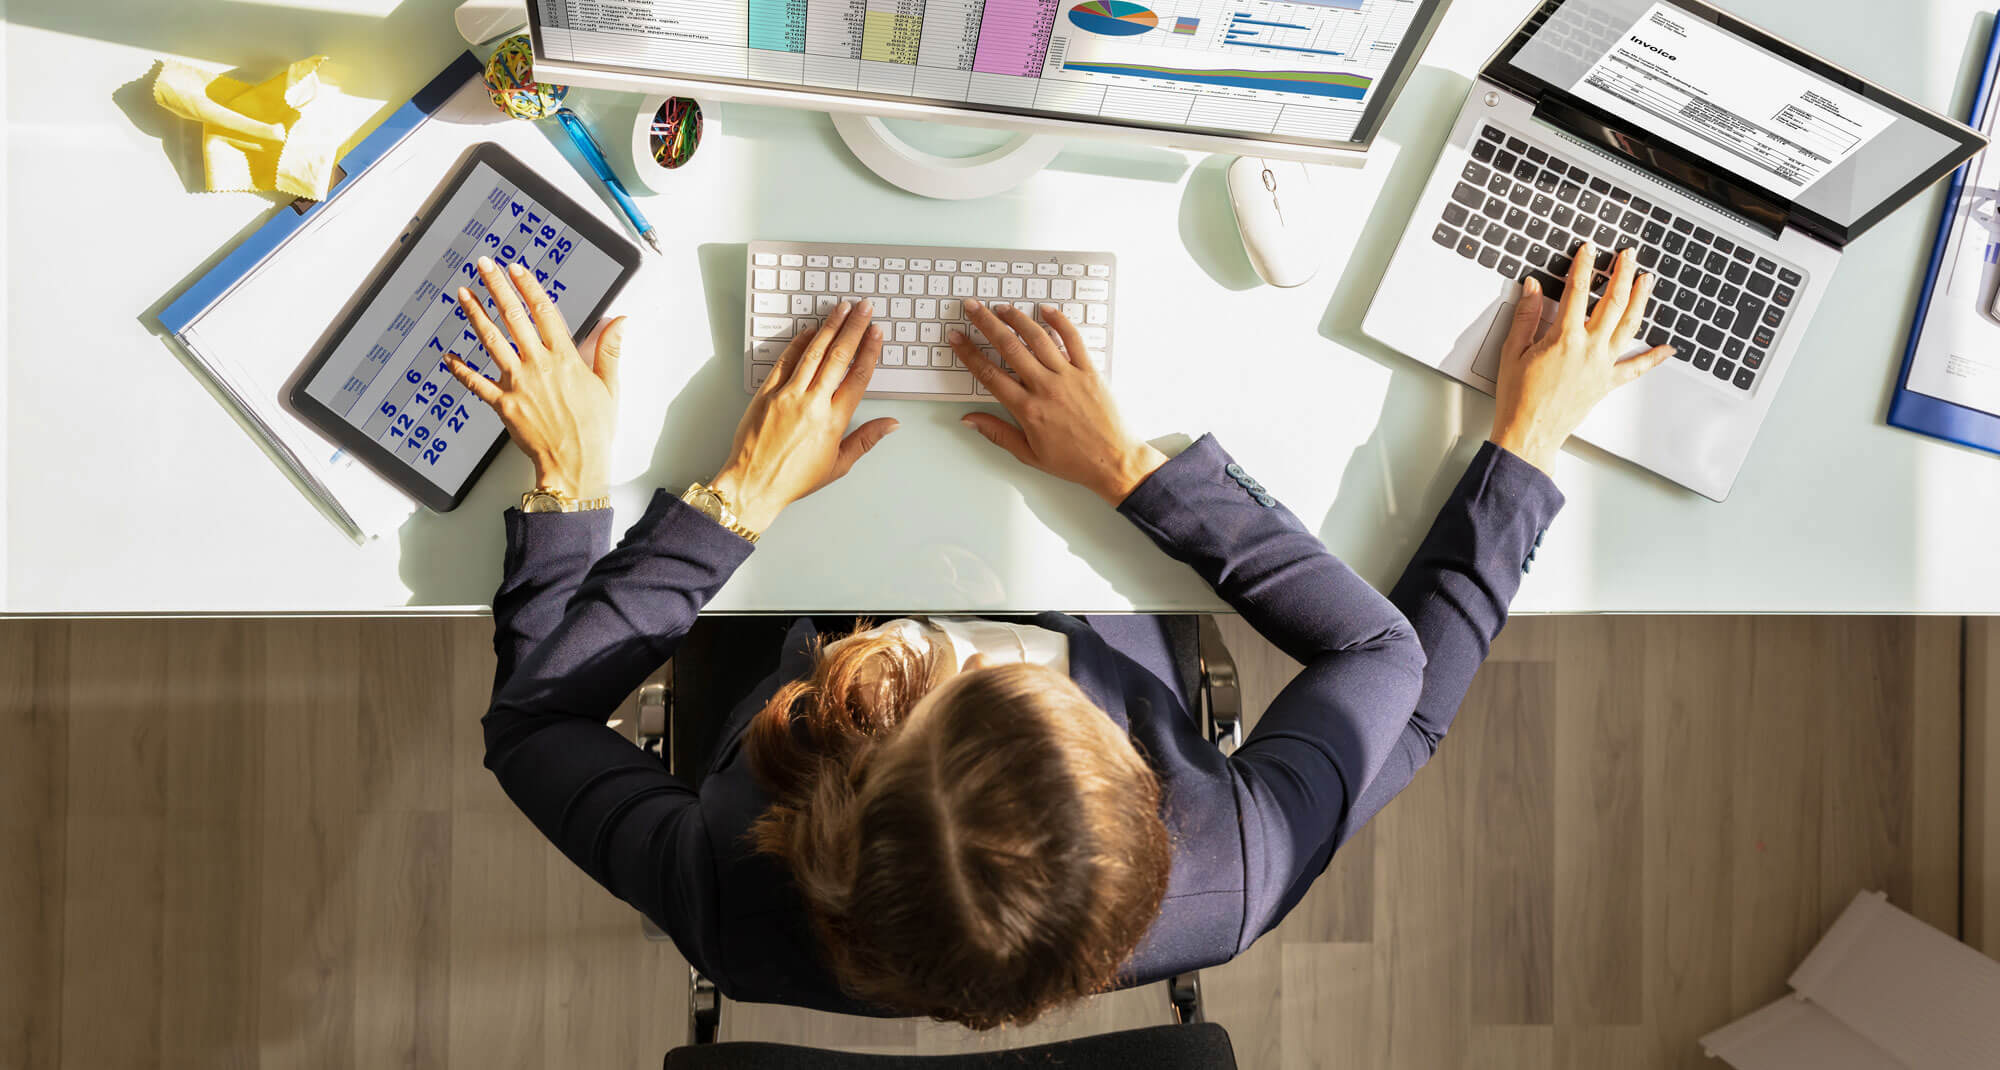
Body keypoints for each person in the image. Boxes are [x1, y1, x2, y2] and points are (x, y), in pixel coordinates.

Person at [449, 238, 1670, 1030]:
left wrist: (665, 490)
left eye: (935, 681)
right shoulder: (1226, 870)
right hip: (1091, 541)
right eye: (1005, 681)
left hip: (792, 579)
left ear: (821, 797)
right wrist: (1137, 475)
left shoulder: (727, 887)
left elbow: (532, 721)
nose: (974, 640)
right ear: (1150, 796)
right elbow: (1398, 677)